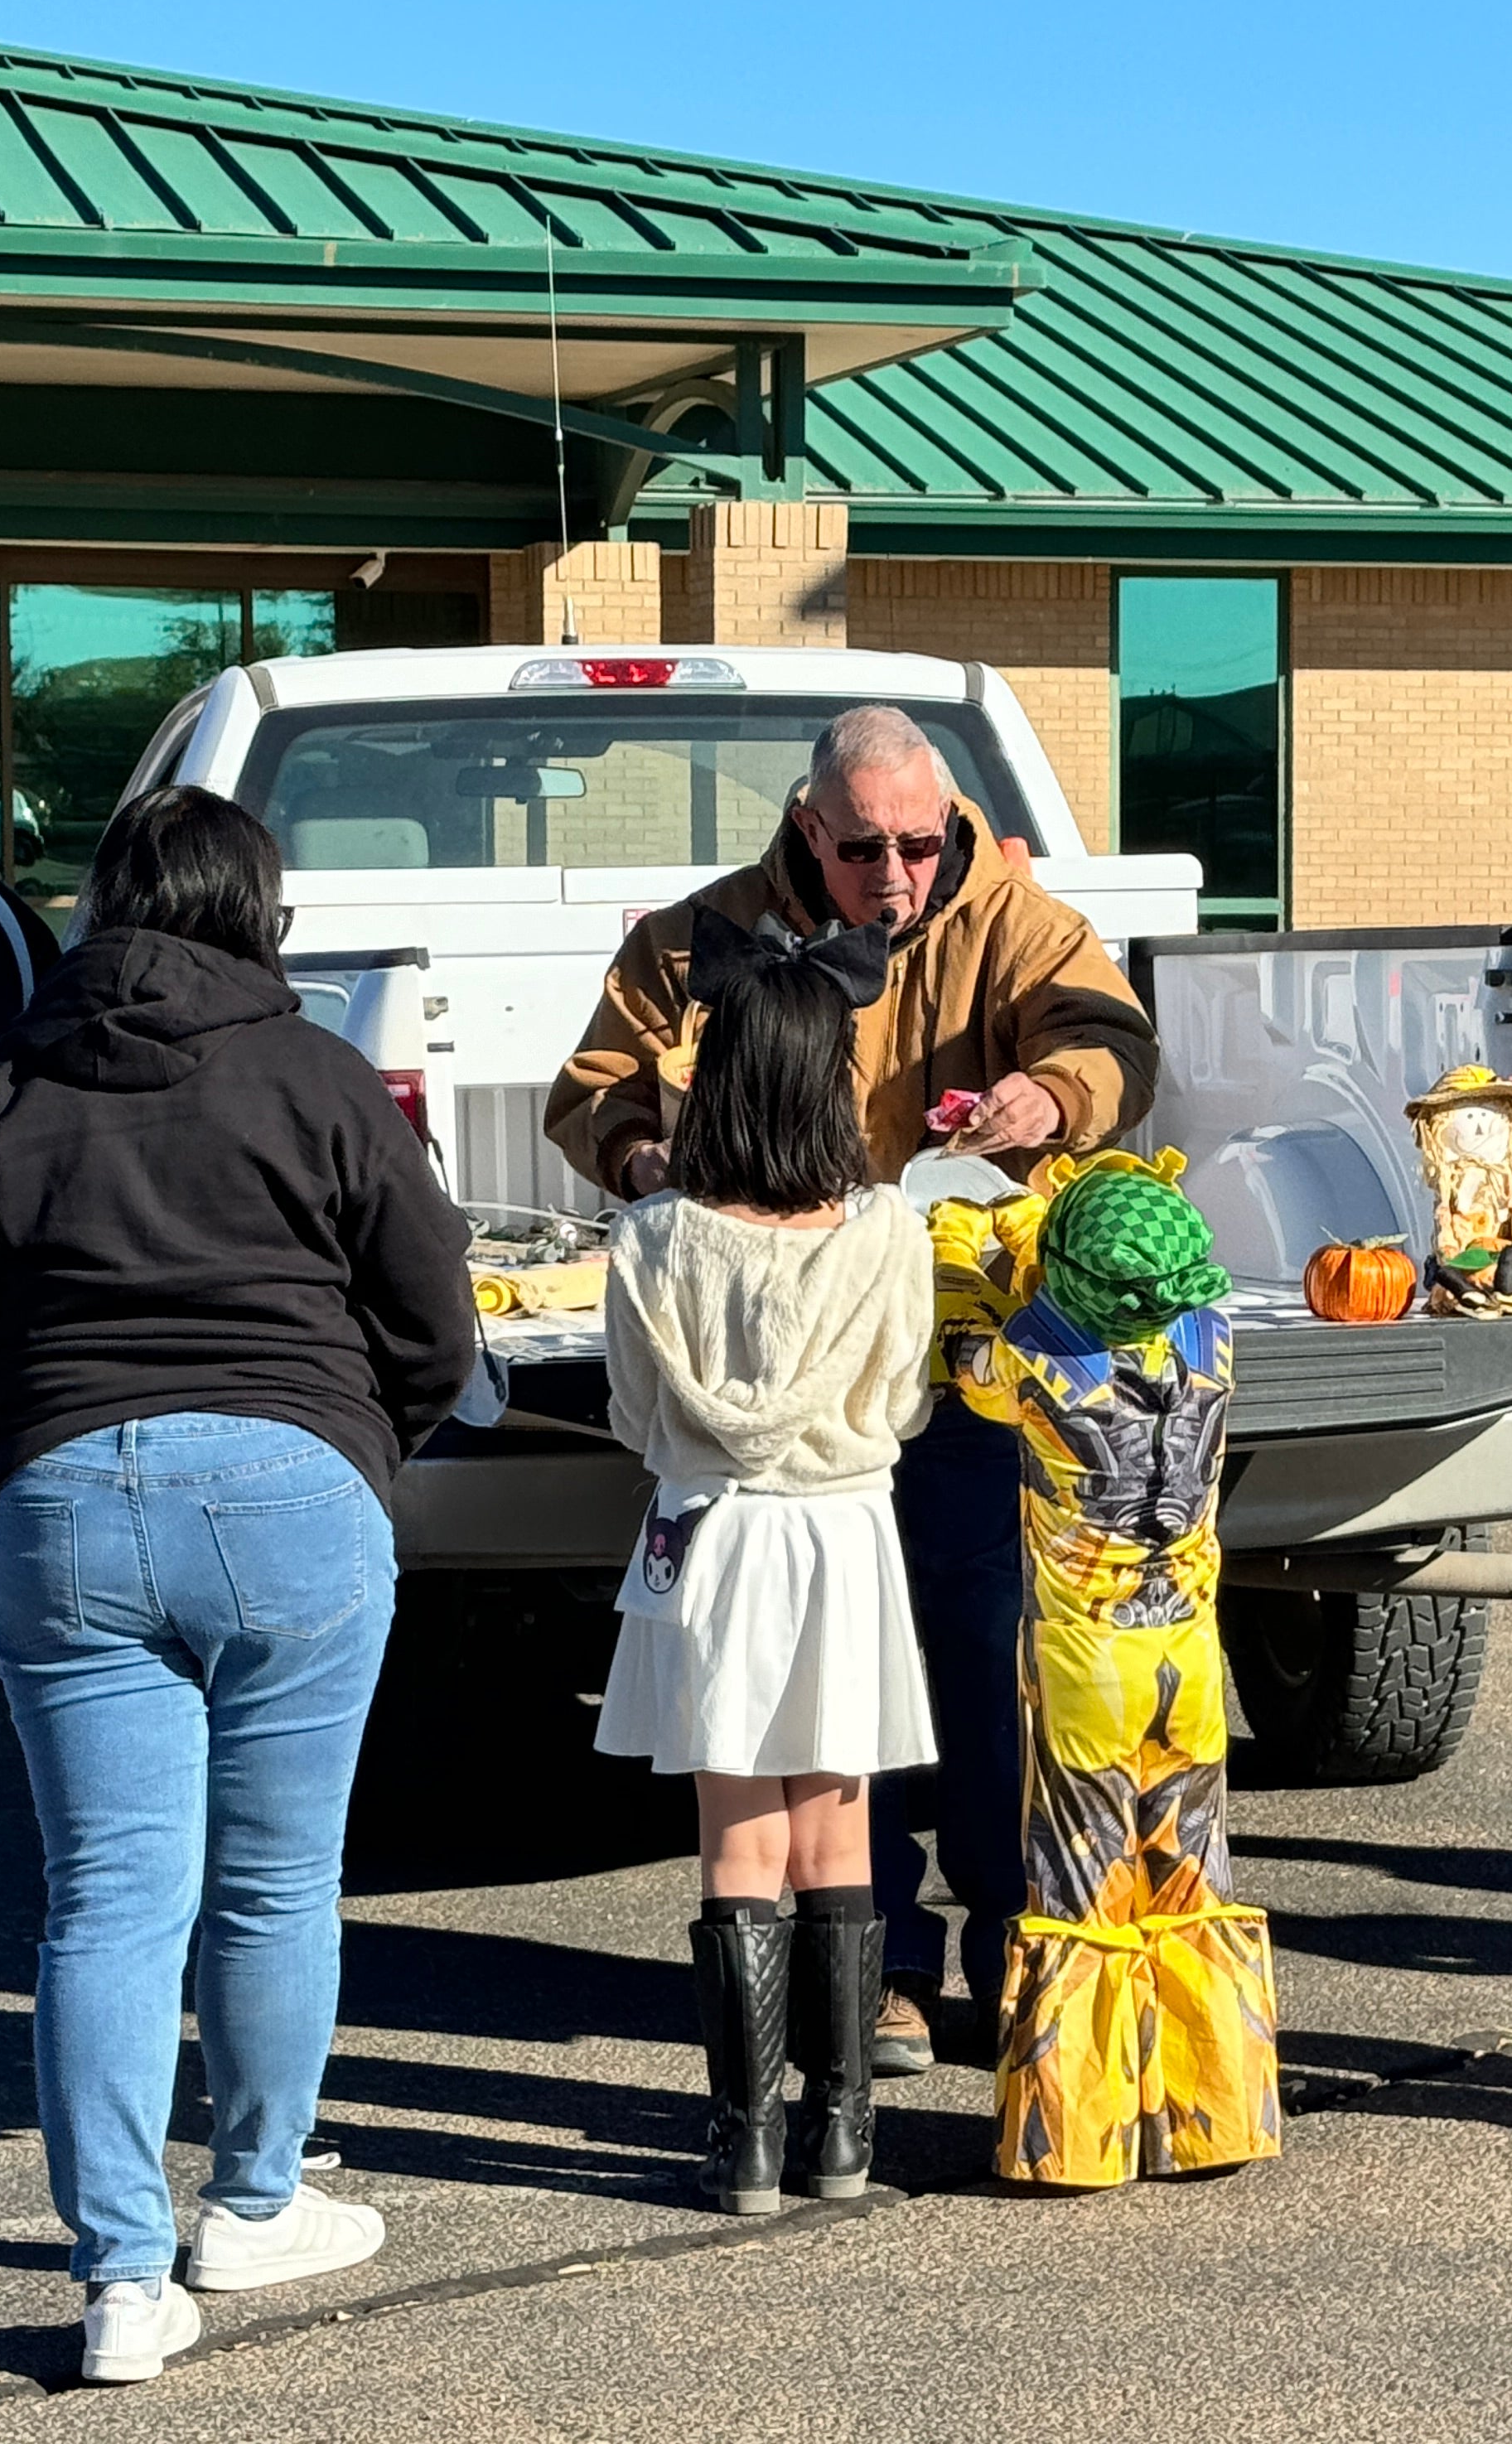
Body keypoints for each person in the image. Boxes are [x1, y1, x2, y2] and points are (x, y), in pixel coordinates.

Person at [0, 787, 476, 2384]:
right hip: (292, 1481)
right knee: (279, 1883)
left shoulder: (0, 1077)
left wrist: (25, 1447)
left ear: (102, 903)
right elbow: (433, 1314)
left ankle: (122, 2284)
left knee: (107, 1899)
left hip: (61, 1495)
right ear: (258, 909)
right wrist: (363, 1447)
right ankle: (255, 2197)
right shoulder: (316, 1070)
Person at [548, 704, 1159, 2077]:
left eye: (922, 844)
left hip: (965, 1352)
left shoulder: (1006, 910)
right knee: (819, 1698)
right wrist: (647, 1160)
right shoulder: (699, 935)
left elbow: (1114, 1040)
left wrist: (1049, 1099)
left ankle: (1012, 1939)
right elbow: (594, 1085)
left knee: (984, 1650)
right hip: (802, 1346)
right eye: (865, 848)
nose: (897, 875)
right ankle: (876, 1967)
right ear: (806, 828)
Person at [592, 907, 940, 2212]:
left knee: (736, 1837)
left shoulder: (655, 1239)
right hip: (844, 1539)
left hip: (715, 1535)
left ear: (720, 1076)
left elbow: (634, 1414)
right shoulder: (888, 1232)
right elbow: (904, 1398)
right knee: (835, 1821)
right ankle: (843, 2135)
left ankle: (742, 2140)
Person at [932, 1151, 1283, 2186]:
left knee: (1084, 1885)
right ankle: (1214, 2114)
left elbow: (968, 1356)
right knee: (1190, 1872)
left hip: (1089, 1661)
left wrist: (970, 1246)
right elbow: (1131, 1290)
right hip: (1188, 1649)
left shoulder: (1036, 1359)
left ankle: (1075, 2141)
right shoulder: (1212, 1339)